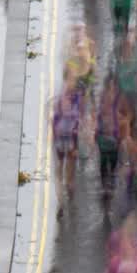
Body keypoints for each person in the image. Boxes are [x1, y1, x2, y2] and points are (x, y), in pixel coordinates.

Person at [51, 77, 85, 217]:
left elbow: (76, 125)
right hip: (63, 141)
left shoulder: (74, 101)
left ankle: (67, 193)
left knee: (66, 171)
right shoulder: (66, 101)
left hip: (68, 140)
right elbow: (55, 121)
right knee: (62, 171)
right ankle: (63, 200)